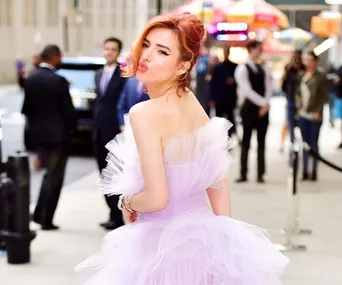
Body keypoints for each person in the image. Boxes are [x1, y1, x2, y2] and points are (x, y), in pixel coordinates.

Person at [76, 12, 288, 284]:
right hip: (202, 244)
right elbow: (217, 183)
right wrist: (222, 241)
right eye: (147, 44)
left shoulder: (144, 112)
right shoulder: (191, 101)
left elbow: (156, 199)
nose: (147, 55)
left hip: (160, 248)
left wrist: (125, 201)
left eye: (162, 51)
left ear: (181, 66)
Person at [22, 45, 77, 230]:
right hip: (58, 137)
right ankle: (46, 218)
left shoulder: (31, 77)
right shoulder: (59, 81)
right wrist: (72, 129)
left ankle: (39, 214)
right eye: (60, 56)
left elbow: (26, 110)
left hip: (39, 137)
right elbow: (68, 112)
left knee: (48, 176)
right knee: (54, 178)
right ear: (54, 57)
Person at [93, 37, 126, 230]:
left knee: (115, 175)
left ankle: (117, 215)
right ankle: (112, 214)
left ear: (118, 52)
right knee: (103, 176)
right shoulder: (97, 74)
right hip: (98, 132)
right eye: (107, 49)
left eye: (113, 49)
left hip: (115, 132)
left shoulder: (124, 74)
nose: (109, 52)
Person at [234, 41, 272, 183]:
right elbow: (247, 90)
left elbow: (269, 86)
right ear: (250, 50)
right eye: (256, 49)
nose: (259, 51)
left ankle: (261, 173)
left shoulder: (264, 68)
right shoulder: (242, 69)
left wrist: (266, 104)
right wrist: (263, 103)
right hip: (249, 109)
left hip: (263, 109)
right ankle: (243, 173)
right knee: (246, 142)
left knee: (262, 143)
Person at [295, 52, 328, 181]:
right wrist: (298, 102)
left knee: (314, 143)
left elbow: (323, 96)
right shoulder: (301, 75)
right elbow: (297, 92)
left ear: (316, 61)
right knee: (305, 143)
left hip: (315, 115)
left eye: (311, 60)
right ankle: (304, 170)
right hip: (303, 113)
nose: (308, 63)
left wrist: (318, 111)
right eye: (306, 60)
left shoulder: (321, 77)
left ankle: (313, 171)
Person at [209, 46, 239, 139]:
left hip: (230, 98)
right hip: (219, 98)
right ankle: (219, 139)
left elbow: (238, 81)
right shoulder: (218, 67)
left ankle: (228, 139)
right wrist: (212, 99)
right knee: (219, 120)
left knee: (230, 120)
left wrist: (233, 81)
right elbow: (213, 83)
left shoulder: (234, 66)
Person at [280, 50, 305, 152]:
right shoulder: (288, 68)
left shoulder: (304, 68)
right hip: (290, 100)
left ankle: (304, 144)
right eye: (295, 57)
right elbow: (283, 86)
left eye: (298, 57)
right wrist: (287, 71)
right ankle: (291, 143)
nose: (296, 59)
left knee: (302, 123)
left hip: (302, 101)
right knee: (289, 123)